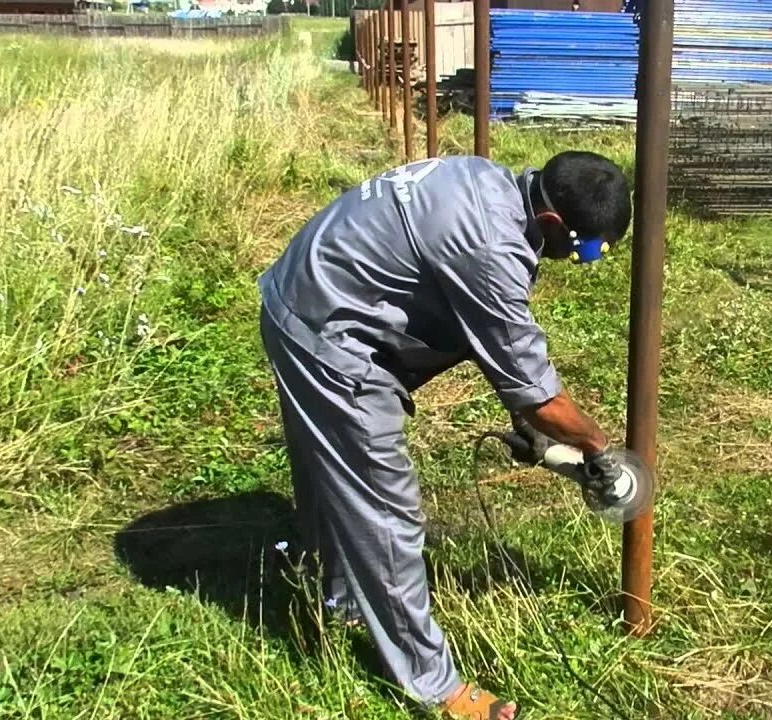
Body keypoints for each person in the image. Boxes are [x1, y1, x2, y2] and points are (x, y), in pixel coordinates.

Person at [257, 151, 632, 719]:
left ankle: (337, 597)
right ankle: (434, 686)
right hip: (332, 336)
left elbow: (497, 345)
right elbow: (538, 393)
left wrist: (528, 428)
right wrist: (597, 446)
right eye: (583, 250)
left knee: (330, 472)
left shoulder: (489, 183)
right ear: (554, 224)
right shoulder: (489, 248)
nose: (583, 263)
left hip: (301, 295)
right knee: (387, 514)